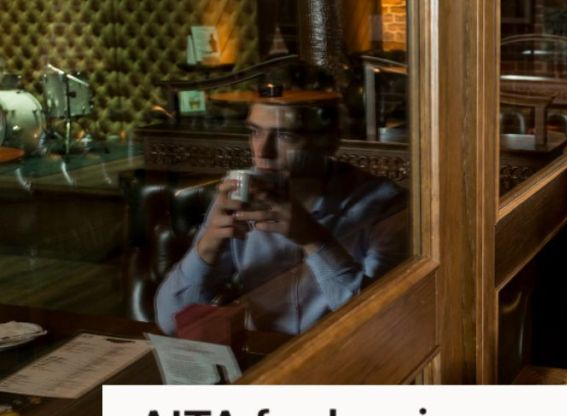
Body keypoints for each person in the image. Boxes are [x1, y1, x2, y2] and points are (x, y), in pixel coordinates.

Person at [155, 91, 408, 335]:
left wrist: (313, 239)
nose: (262, 152)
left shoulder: (383, 204)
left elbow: (377, 323)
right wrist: (209, 244)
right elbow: (170, 322)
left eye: (285, 135)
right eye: (255, 132)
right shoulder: (241, 195)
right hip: (264, 358)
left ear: (330, 141)